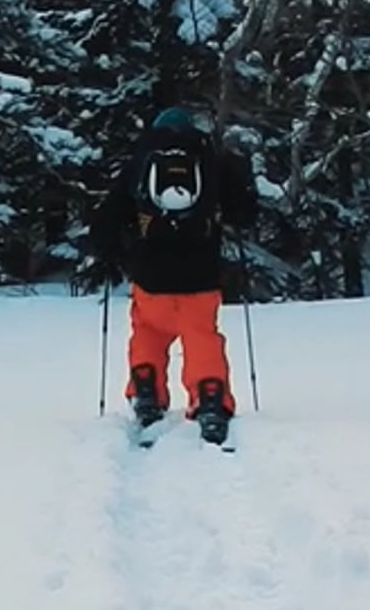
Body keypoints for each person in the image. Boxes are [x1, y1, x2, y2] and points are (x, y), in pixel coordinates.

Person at [82, 105, 258, 441]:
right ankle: (210, 400)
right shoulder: (210, 160)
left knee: (148, 330)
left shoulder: (140, 161)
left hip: (150, 271)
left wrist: (107, 250)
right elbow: (243, 214)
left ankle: (146, 393)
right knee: (201, 335)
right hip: (200, 272)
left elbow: (109, 217)